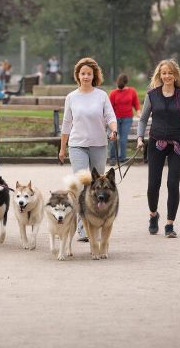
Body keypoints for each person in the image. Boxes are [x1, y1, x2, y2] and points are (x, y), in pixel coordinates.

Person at [59, 57, 117, 242]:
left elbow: (110, 116)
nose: (85, 76)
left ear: (94, 75)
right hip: (77, 145)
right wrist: (62, 148)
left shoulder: (101, 96)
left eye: (89, 74)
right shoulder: (71, 97)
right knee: (82, 185)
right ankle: (83, 227)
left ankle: (96, 223)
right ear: (78, 75)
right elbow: (66, 123)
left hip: (99, 144)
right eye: (82, 73)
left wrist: (114, 129)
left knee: (97, 186)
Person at [137, 59, 180, 238]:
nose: (167, 76)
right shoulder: (152, 95)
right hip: (156, 144)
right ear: (160, 75)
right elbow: (143, 119)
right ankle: (153, 215)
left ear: (176, 75)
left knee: (172, 183)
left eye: (170, 73)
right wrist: (140, 138)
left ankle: (170, 225)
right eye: (164, 73)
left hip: (177, 145)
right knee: (153, 185)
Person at [108, 73, 141, 165]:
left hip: (127, 119)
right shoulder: (113, 93)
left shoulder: (132, 91)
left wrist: (138, 112)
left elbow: (136, 104)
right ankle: (112, 158)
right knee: (113, 139)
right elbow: (109, 108)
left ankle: (123, 158)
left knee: (123, 139)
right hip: (115, 119)